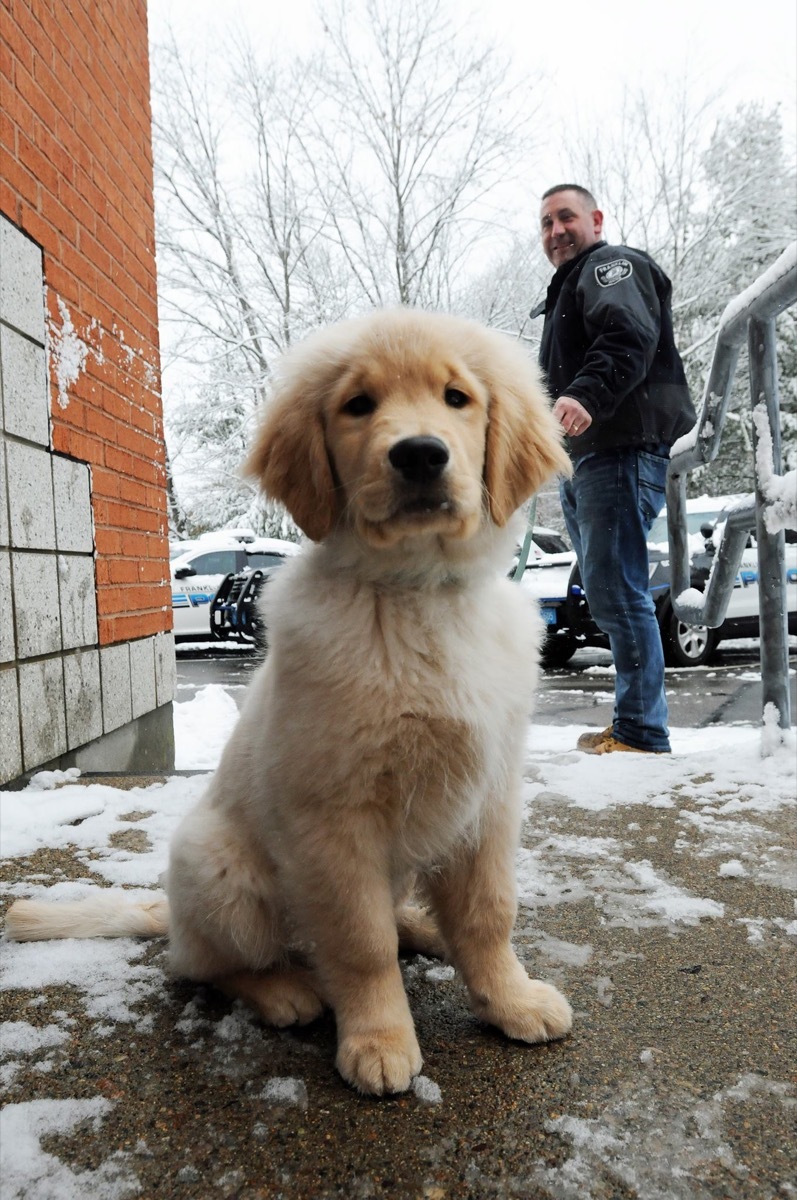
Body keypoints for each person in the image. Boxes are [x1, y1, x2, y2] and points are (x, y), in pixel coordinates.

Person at [534, 184, 696, 754]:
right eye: (547, 222)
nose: (556, 230)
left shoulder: (609, 267)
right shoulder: (570, 285)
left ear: (595, 220)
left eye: (567, 217)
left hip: (621, 448)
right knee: (605, 591)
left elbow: (628, 335)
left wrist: (586, 394)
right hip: (589, 454)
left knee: (619, 592)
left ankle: (642, 732)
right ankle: (633, 722)